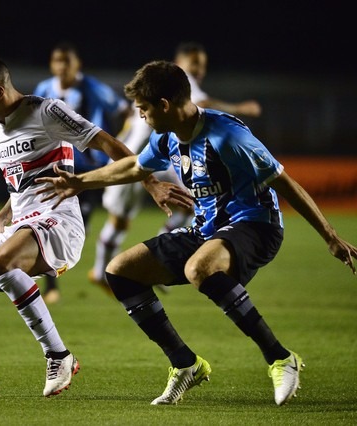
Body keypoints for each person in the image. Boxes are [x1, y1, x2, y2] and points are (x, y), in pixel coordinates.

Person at [36, 60, 357, 406]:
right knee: (120, 271)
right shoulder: (167, 137)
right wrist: (79, 183)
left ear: (164, 106)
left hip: (255, 225)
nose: (140, 116)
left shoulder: (229, 137)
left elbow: (285, 181)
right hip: (207, 229)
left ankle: (281, 358)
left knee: (199, 268)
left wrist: (330, 237)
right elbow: (134, 166)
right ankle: (185, 365)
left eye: (143, 109)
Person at [0, 53, 192, 399]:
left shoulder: (46, 111)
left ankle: (59, 356)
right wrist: (3, 214)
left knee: (0, 264)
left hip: (59, 222)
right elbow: (22, 182)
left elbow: (107, 143)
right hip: (22, 225)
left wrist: (150, 183)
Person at [89, 41, 263, 288]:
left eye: (202, 65)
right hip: (138, 156)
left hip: (162, 158)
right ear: (180, 64)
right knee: (120, 221)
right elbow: (204, 106)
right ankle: (100, 273)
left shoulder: (156, 88)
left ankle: (163, 259)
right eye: (194, 64)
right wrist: (239, 108)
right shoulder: (177, 86)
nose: (199, 70)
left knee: (190, 202)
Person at [34, 41, 131, 303]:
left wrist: (117, 140)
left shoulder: (92, 88)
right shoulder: (44, 89)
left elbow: (126, 111)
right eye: (58, 61)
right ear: (52, 64)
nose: (62, 67)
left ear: (77, 65)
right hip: (55, 165)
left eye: (67, 61)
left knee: (77, 227)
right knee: (49, 220)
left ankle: (50, 278)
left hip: (87, 169)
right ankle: (50, 285)